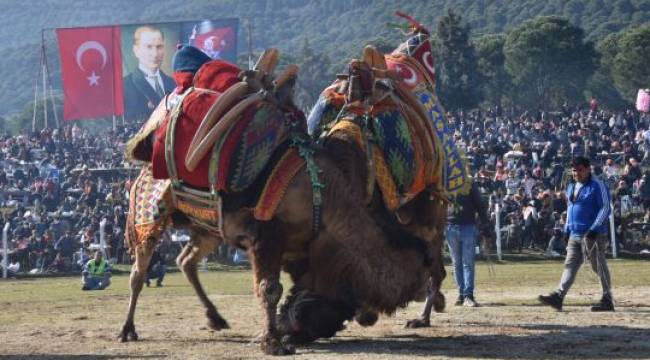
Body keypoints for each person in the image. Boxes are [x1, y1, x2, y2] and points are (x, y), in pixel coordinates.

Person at [539, 156, 614, 312]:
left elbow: (606, 208)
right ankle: (558, 296)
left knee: (598, 265)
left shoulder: (597, 185)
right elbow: (571, 209)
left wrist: (594, 229)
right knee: (570, 265)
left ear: (588, 169)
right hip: (574, 233)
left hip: (593, 234)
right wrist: (567, 229)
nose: (576, 173)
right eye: (574, 170)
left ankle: (607, 298)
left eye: (579, 169)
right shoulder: (572, 186)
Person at [447, 179, 490, 307]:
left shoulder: (469, 183)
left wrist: (485, 225)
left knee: (466, 263)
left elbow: (480, 205)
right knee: (458, 263)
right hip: (451, 226)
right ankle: (462, 295)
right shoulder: (446, 182)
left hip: (467, 226)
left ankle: (467, 295)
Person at [123, 25, 175, 123]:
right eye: (149, 47)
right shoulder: (124, 86)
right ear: (136, 50)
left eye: (159, 47)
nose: (155, 54)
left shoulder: (173, 84)